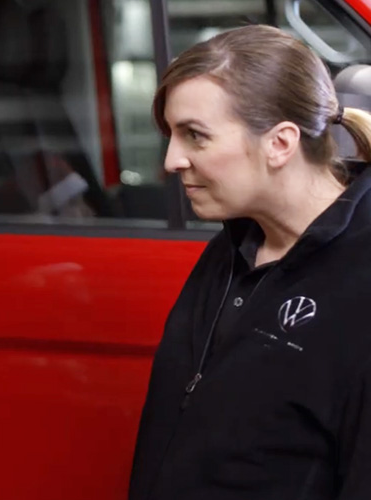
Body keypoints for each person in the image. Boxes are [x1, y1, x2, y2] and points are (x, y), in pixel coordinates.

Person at [129, 25, 371, 499]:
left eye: (195, 135)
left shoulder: (361, 277)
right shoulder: (231, 250)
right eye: (171, 135)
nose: (172, 160)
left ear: (280, 143)